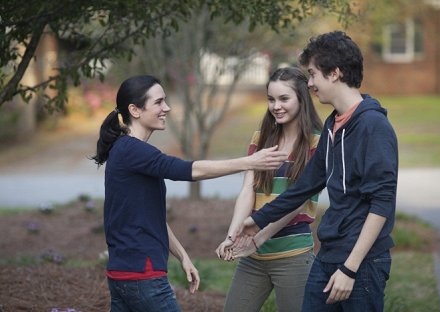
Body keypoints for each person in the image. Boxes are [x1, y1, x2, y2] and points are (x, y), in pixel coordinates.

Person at [91, 75, 288, 312]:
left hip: (124, 274)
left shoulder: (126, 150)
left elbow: (149, 217)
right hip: (143, 275)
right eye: (159, 102)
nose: (167, 108)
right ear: (134, 109)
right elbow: (190, 170)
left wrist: (182, 256)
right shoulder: (133, 150)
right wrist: (249, 162)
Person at [237, 31, 398, 312]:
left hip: (362, 262)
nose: (309, 83)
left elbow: (382, 203)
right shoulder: (333, 125)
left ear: (334, 73)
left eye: (312, 74)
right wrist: (257, 221)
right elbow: (306, 185)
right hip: (329, 255)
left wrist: (350, 268)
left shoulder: (373, 126)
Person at [215, 67, 323, 312]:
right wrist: (232, 237)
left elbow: (295, 200)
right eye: (271, 99)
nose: (276, 106)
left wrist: (259, 236)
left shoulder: (317, 143)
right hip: (253, 259)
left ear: (301, 99)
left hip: (292, 255)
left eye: (284, 99)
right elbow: (247, 191)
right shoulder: (260, 138)